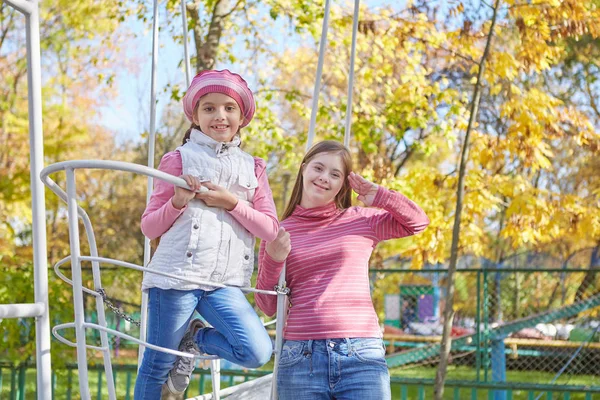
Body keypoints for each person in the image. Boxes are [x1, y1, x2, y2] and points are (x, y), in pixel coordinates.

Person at [134, 69, 278, 399]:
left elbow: (270, 229)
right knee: (157, 363)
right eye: (209, 108)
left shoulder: (254, 168)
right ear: (195, 116)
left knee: (256, 351)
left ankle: (194, 339)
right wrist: (177, 202)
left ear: (242, 116)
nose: (219, 116)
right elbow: (149, 227)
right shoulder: (177, 160)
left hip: (223, 283)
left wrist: (230, 203)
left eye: (229, 107)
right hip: (175, 277)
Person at [255, 140, 429, 400]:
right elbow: (267, 305)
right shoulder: (277, 231)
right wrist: (274, 258)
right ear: (304, 169)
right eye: (319, 168)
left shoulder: (360, 219)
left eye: (335, 174)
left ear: (343, 184)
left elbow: (418, 222)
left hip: (361, 355)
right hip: (301, 359)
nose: (324, 178)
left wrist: (379, 195)